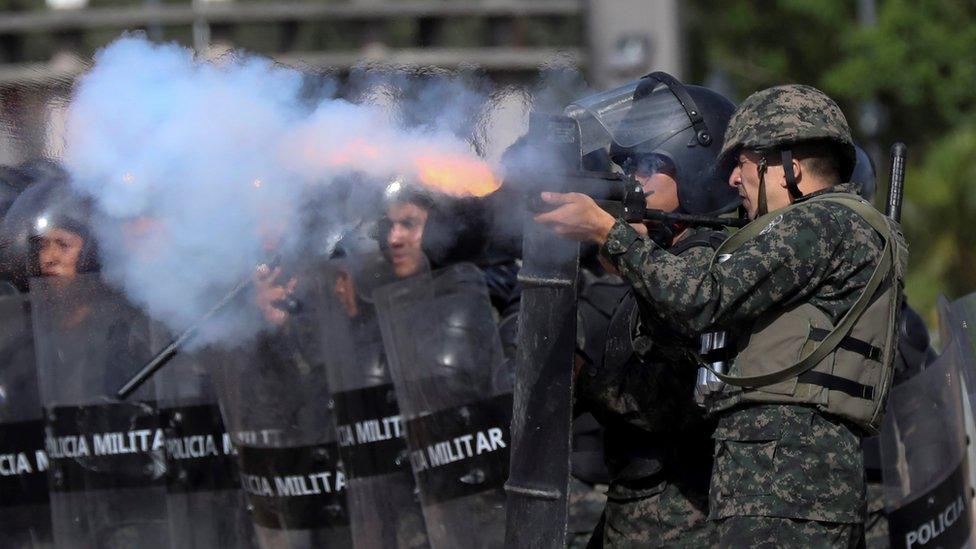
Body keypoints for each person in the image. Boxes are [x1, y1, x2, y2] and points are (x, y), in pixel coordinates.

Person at [535, 84, 906, 546]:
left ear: (787, 164)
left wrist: (607, 233)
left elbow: (703, 298)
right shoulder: (827, 227)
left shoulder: (823, 222)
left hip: (788, 487)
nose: (732, 180)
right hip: (773, 482)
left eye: (744, 164)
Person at [564, 73, 739, 547]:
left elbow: (667, 405)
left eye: (645, 164)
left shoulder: (709, 261)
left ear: (692, 165)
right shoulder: (663, 258)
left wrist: (583, 378)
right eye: (625, 164)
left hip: (684, 517)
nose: (629, 179)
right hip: (643, 508)